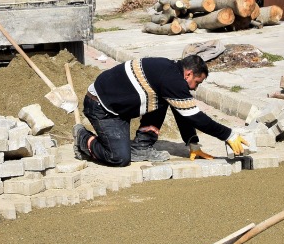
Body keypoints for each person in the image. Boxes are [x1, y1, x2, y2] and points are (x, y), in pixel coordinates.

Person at [76, 54, 250, 167]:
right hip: (101, 107)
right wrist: (229, 135)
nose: (195, 88)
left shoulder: (171, 72)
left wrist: (192, 142)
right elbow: (196, 117)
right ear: (188, 74)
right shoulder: (171, 79)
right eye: (197, 82)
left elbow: (181, 110)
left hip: (119, 106)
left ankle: (141, 147)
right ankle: (82, 137)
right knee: (119, 157)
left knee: (163, 100)